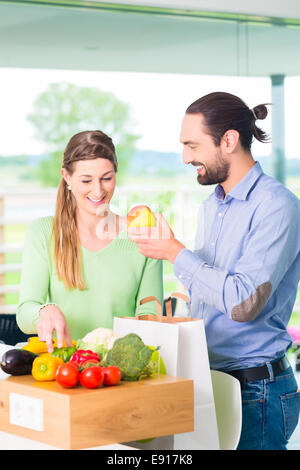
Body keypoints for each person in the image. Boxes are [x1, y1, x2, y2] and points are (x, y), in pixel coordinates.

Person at [128, 92, 300, 450]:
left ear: (229, 140)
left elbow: (243, 303)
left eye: (192, 145)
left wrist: (175, 252)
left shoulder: (276, 206)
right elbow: (209, 291)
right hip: (212, 380)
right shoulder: (212, 207)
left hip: (258, 392)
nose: (185, 157)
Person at [16, 130, 163, 352]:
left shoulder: (141, 236)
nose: (98, 190)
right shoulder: (43, 232)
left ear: (116, 174)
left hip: (121, 371)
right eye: (86, 180)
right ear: (67, 177)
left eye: (107, 178)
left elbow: (151, 315)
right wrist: (44, 311)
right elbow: (25, 313)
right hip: (65, 371)